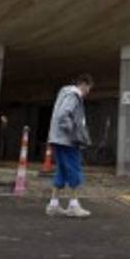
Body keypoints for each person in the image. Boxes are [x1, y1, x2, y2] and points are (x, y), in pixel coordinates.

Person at [46, 73, 93, 218]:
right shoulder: (74, 96)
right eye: (89, 88)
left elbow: (60, 115)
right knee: (74, 170)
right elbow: (63, 115)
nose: (88, 92)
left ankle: (53, 205)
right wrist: (74, 132)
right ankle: (73, 205)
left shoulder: (64, 94)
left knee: (62, 170)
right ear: (83, 84)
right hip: (68, 141)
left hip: (58, 139)